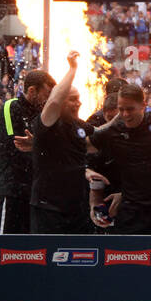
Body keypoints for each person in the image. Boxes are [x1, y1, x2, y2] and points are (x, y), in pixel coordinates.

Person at [89, 84, 151, 234]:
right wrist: (86, 170)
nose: (125, 114)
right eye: (121, 109)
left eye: (130, 109)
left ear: (143, 106)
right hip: (131, 213)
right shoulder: (114, 130)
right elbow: (80, 147)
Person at [29, 52, 93, 234]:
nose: (79, 103)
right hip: (49, 210)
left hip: (76, 210)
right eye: (73, 99)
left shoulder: (78, 126)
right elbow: (55, 100)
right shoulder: (46, 123)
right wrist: (72, 69)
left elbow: (101, 137)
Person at [0, 67, 54, 234]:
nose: (48, 100)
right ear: (32, 91)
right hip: (11, 191)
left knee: (31, 250)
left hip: (35, 196)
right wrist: (40, 146)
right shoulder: (11, 107)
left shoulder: (44, 115)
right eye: (46, 94)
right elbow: (17, 144)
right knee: (4, 247)